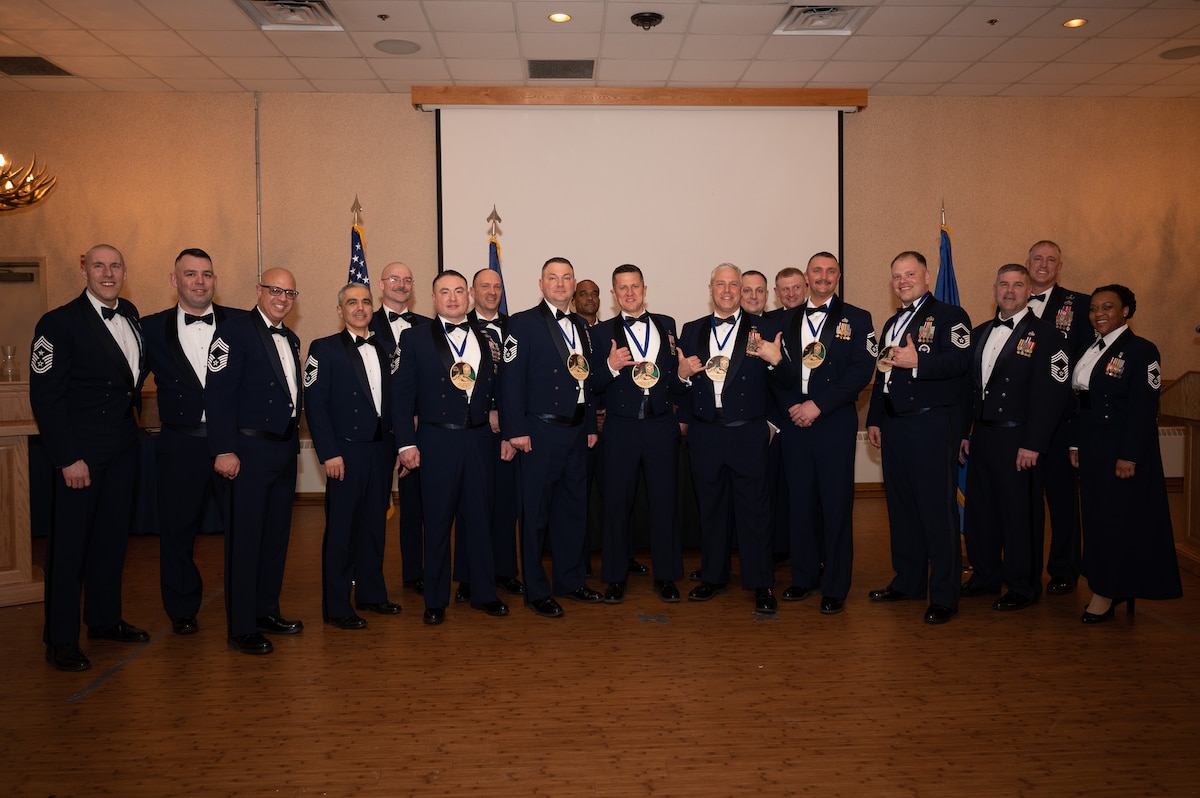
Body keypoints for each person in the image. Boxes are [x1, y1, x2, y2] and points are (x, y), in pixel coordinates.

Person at [30, 244, 150, 671]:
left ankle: (104, 620)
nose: (108, 272)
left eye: (115, 265)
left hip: (122, 450)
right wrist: (67, 458)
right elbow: (46, 398)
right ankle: (60, 638)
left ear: (124, 271)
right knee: (69, 550)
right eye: (99, 265)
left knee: (111, 542)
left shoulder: (132, 313)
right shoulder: (57, 323)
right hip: (79, 456)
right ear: (84, 269)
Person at [673, 263, 793, 614]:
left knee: (755, 511)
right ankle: (713, 575)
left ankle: (761, 582)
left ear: (743, 290)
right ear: (710, 288)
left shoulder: (766, 328)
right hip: (706, 432)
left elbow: (787, 383)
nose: (727, 290)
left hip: (748, 432)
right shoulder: (691, 329)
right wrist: (680, 377)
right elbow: (680, 384)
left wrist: (776, 363)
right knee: (710, 508)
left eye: (734, 285)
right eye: (720, 284)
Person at [394, 271, 509, 625]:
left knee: (479, 518)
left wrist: (504, 428)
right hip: (436, 439)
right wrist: (405, 443)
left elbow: (499, 388)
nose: (453, 297)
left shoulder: (489, 338)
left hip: (478, 439)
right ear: (433, 298)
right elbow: (401, 396)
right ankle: (435, 599)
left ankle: (484, 593)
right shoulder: (414, 339)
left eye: (460, 291)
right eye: (445, 292)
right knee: (438, 521)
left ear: (470, 295)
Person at [866, 251, 972, 625]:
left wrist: (919, 363)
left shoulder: (950, 317)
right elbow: (882, 375)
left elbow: (961, 361)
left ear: (927, 276)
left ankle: (944, 595)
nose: (903, 281)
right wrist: (875, 418)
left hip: (930, 426)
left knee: (936, 512)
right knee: (902, 507)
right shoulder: (892, 323)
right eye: (896, 276)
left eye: (910, 274)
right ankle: (908, 581)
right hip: (894, 426)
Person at [958, 265, 1071, 611]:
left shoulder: (1048, 335)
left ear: (1028, 292)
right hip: (983, 436)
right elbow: (968, 390)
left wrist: (1034, 443)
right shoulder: (978, 333)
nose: (1010, 290)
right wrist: (965, 431)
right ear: (994, 289)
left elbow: (1052, 395)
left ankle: (1023, 585)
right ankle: (986, 576)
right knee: (982, 512)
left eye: (1018, 284)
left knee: (1019, 515)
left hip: (1019, 439)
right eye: (1004, 284)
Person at [142, 248, 240, 636]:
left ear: (215, 280)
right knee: (178, 531)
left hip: (233, 445)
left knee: (243, 529)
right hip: (180, 444)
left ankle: (246, 604)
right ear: (174, 280)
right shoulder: (149, 328)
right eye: (190, 274)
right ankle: (182, 608)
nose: (199, 281)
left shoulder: (241, 323)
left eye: (206, 274)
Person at [499, 257, 604, 618]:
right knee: (535, 516)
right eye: (552, 278)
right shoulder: (523, 323)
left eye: (566, 278)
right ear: (541, 284)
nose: (560, 284)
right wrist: (516, 430)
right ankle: (536, 590)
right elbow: (510, 382)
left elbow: (585, 381)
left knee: (573, 511)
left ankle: (571, 582)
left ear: (574, 284)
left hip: (576, 431)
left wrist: (590, 426)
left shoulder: (581, 325)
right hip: (539, 432)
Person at [1070, 284, 1182, 623]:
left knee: (1116, 522)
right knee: (1096, 518)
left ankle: (1108, 591)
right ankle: (1107, 584)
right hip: (1092, 447)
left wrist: (1129, 455)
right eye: (1094, 308)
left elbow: (1144, 408)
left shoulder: (1141, 350)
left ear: (1126, 312)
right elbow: (1080, 403)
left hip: (1120, 450)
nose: (1099, 313)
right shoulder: (1091, 348)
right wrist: (1075, 444)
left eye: (1108, 307)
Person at [206, 268, 304, 655]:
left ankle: (266, 611)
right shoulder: (233, 331)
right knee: (245, 542)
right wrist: (223, 449)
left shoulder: (292, 338)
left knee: (275, 538)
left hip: (282, 451)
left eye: (289, 292)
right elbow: (218, 395)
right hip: (246, 453)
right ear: (259, 290)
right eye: (274, 290)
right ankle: (241, 626)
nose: (281, 298)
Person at [773, 252, 875, 615]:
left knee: (835, 505)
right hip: (794, 421)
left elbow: (862, 371)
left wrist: (818, 405)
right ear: (806, 276)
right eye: (817, 270)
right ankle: (803, 577)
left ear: (839, 276)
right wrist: (793, 407)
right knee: (799, 503)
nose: (823, 276)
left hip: (833, 422)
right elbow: (776, 370)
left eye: (830, 271)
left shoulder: (858, 318)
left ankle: (835, 584)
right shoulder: (785, 319)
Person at [304, 283, 402, 631]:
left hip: (380, 452)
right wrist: (329, 453)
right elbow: (315, 407)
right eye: (351, 302)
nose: (359, 308)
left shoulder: (388, 348)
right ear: (340, 309)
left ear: (372, 307)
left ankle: (372, 594)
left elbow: (396, 406)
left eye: (365, 302)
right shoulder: (324, 349)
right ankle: (336, 606)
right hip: (344, 454)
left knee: (375, 528)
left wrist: (397, 448)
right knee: (342, 533)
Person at [590, 264, 684, 604]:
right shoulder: (600, 334)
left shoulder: (668, 325)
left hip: (661, 424)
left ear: (645, 289)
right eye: (622, 288)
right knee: (617, 502)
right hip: (621, 426)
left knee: (664, 501)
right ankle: (615, 578)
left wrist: (684, 377)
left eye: (635, 286)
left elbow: (674, 378)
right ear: (613, 295)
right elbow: (590, 384)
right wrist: (610, 367)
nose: (629, 293)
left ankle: (667, 576)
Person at [1024, 241, 1093, 596]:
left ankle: (1065, 569)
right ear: (1027, 262)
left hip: (1062, 423)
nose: (1043, 264)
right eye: (1038, 258)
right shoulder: (1014, 299)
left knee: (1063, 501)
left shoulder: (1078, 305)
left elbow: (1084, 371)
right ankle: (1026, 568)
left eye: (1051, 260)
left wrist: (1079, 432)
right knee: (1026, 502)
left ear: (1059, 266)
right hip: (1021, 422)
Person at [368, 261, 431, 596]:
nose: (401, 284)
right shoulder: (365, 322)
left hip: (415, 429)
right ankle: (366, 578)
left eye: (408, 280)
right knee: (371, 508)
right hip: (374, 431)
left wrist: (416, 418)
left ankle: (414, 572)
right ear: (381, 284)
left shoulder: (428, 326)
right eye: (395, 279)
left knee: (415, 506)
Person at [460, 268, 523, 598]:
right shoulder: (459, 326)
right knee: (472, 505)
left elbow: (521, 380)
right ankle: (469, 578)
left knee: (505, 504)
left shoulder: (516, 327)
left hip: (509, 429)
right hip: (474, 428)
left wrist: (511, 426)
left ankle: (504, 571)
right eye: (485, 286)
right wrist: (488, 414)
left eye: (497, 286)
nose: (492, 291)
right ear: (472, 291)